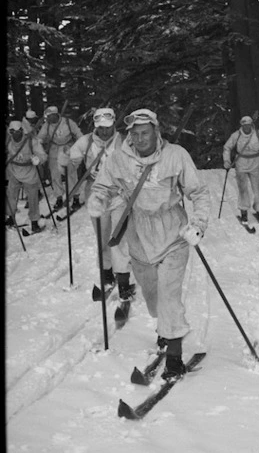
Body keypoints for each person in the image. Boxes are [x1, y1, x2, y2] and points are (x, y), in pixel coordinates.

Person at [87, 108, 211, 381]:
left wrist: (198, 224)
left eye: (146, 133)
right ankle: (164, 328)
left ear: (156, 132)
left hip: (172, 231)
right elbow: (103, 186)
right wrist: (98, 201)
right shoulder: (119, 159)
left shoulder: (176, 155)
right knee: (152, 295)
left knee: (168, 295)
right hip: (138, 233)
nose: (140, 138)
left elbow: (198, 192)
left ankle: (175, 356)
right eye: (135, 134)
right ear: (129, 135)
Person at [64, 108, 132, 296]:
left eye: (108, 127)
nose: (104, 132)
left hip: (119, 194)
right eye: (101, 128)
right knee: (102, 239)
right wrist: (65, 159)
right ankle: (107, 274)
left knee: (118, 238)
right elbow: (71, 160)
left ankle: (124, 278)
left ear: (113, 124)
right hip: (95, 195)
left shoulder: (125, 140)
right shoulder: (85, 142)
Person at [222, 115, 259, 224]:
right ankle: (243, 211)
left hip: (256, 163)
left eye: (249, 125)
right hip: (241, 163)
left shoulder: (258, 134)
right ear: (241, 125)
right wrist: (226, 161)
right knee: (243, 188)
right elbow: (227, 147)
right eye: (244, 125)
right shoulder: (236, 135)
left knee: (258, 189)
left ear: (252, 125)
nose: (247, 127)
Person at [37, 105, 83, 210]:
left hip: (68, 149)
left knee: (71, 174)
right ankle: (59, 197)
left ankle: (75, 197)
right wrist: (38, 143)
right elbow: (40, 137)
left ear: (55, 115)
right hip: (54, 150)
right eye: (47, 116)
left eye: (49, 116)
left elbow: (78, 134)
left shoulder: (68, 122)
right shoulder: (47, 125)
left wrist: (80, 146)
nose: (48, 118)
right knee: (55, 175)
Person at [5, 120, 47, 234]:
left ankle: (34, 221)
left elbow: (42, 155)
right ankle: (10, 217)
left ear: (22, 131)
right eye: (13, 132)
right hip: (14, 171)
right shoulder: (8, 140)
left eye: (18, 131)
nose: (16, 134)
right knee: (11, 195)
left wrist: (38, 159)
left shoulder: (31, 141)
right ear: (10, 132)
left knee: (33, 198)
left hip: (29, 173)